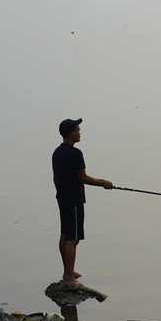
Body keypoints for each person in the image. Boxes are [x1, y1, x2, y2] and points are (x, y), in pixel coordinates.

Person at [52, 118, 113, 283]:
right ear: (71, 133)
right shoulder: (76, 153)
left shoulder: (56, 152)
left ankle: (68, 271)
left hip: (62, 198)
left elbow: (55, 178)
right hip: (74, 200)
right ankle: (69, 277)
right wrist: (103, 183)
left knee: (65, 234)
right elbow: (83, 178)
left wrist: (61, 193)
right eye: (78, 130)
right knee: (74, 238)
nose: (80, 133)